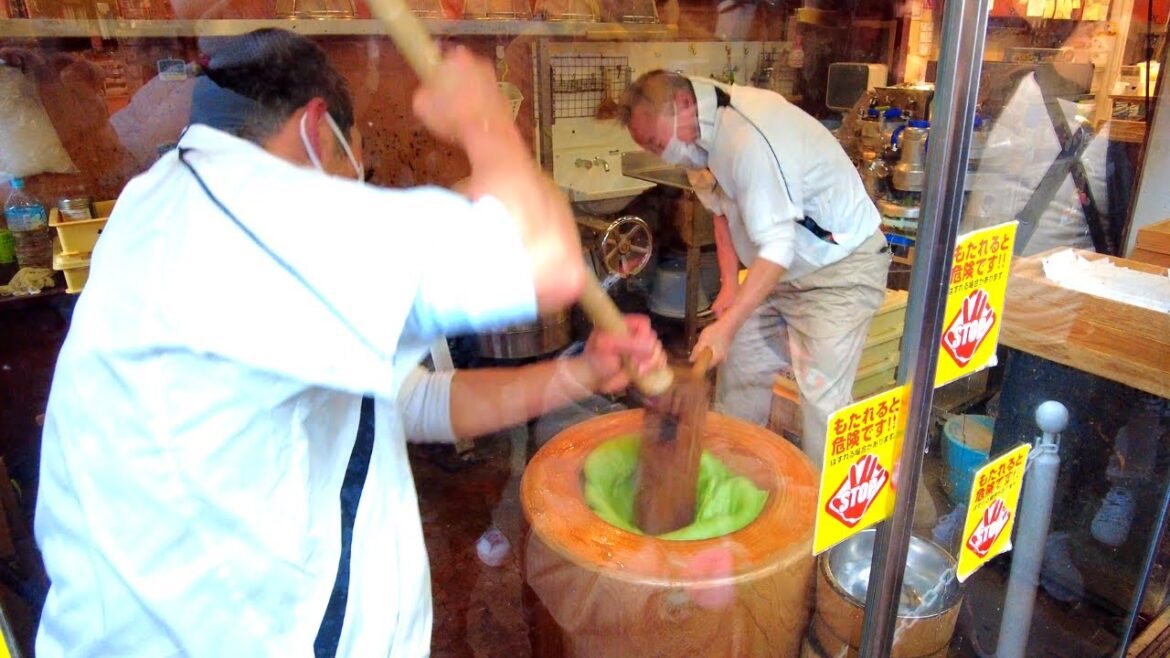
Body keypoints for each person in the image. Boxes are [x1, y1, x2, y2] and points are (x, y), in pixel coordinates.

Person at [33, 28, 640, 657]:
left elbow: (407, 403)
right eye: (353, 162)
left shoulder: (160, 199)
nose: (351, 185)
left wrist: (577, 374)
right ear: (316, 128)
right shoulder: (263, 213)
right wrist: (486, 119)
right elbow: (544, 259)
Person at [617, 71, 891, 467]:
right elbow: (722, 215)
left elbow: (779, 247)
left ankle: (826, 523)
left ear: (681, 106)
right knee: (740, 377)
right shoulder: (697, 145)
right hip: (776, 275)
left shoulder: (747, 139)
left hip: (839, 273)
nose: (662, 154)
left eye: (658, 143)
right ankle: (734, 486)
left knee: (823, 404)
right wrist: (729, 286)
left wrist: (724, 327)